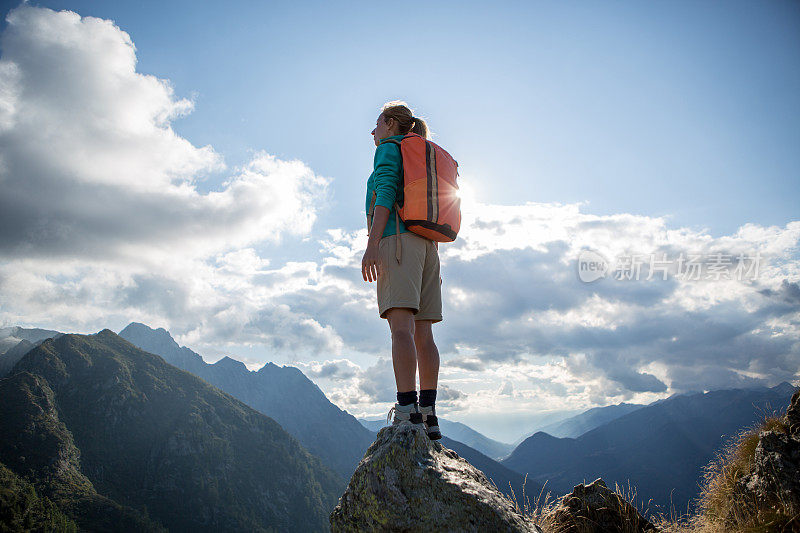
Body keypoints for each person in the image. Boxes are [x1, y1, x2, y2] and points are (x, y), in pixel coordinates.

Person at [362, 100, 443, 440]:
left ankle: (406, 410)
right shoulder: (420, 153)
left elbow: (385, 192)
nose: (373, 131)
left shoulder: (390, 149)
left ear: (392, 124)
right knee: (424, 334)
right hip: (428, 247)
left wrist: (372, 243)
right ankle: (428, 413)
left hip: (397, 242)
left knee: (401, 329)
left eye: (377, 124)